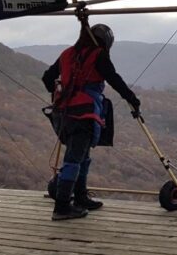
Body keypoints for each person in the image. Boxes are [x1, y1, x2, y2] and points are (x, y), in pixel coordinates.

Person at [42, 14, 141, 221]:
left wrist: (59, 93)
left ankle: (80, 198)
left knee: (82, 157)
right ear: (105, 43)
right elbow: (114, 79)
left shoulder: (68, 53)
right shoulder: (98, 55)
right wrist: (132, 99)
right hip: (83, 114)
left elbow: (47, 77)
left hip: (64, 113)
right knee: (74, 159)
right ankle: (62, 207)